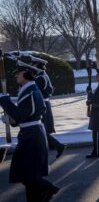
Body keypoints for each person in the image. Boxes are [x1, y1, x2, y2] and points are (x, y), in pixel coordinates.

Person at [0, 55, 59, 201]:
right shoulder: (28, 90)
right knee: (25, 172)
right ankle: (39, 195)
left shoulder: (31, 91)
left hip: (32, 135)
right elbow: (25, 115)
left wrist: (5, 101)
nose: (16, 76)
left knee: (26, 173)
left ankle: (48, 188)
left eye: (18, 74)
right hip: (29, 133)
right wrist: (11, 119)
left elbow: (21, 115)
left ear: (26, 74)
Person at [32, 56, 66, 158]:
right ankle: (52, 145)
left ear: (37, 65)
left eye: (33, 64)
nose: (32, 66)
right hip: (45, 103)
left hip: (42, 104)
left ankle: (58, 145)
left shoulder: (40, 77)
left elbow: (37, 93)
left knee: (42, 129)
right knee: (44, 128)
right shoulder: (43, 75)